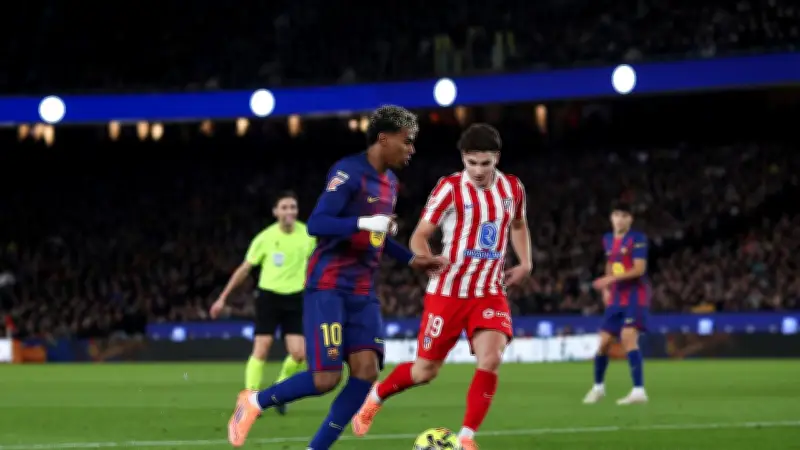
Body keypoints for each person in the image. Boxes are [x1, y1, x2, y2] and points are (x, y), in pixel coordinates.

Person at [226, 105, 448, 449]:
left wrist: (412, 260)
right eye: (407, 141)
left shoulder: (390, 183)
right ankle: (253, 402)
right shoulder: (348, 172)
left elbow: (377, 236)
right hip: (328, 287)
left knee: (367, 372)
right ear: (383, 139)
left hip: (363, 291)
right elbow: (317, 223)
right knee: (325, 378)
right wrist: (363, 222)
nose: (412, 149)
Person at [351, 123, 532, 450]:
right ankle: (376, 395)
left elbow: (518, 223)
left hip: (489, 291)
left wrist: (526, 262)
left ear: (497, 158)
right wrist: (427, 258)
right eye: (472, 163)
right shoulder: (449, 188)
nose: (478, 171)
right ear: (463, 158)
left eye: (486, 163)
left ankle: (466, 437)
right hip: (447, 293)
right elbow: (419, 235)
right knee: (424, 372)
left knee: (491, 358)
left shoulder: (513, 188)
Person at [210, 191, 314, 415]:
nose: (289, 211)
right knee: (262, 348)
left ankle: (279, 391)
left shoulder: (308, 235)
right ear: (275, 212)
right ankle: (249, 399)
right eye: (284, 207)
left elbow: (320, 263)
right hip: (269, 298)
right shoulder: (265, 238)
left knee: (299, 353)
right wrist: (222, 297)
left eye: (293, 207)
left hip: (295, 298)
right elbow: (244, 269)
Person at [583, 200, 650, 405]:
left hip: (635, 296)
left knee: (628, 337)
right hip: (616, 297)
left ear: (631, 219)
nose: (620, 219)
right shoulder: (608, 239)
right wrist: (606, 288)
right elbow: (611, 262)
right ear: (611, 218)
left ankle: (638, 390)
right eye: (617, 215)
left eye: (624, 216)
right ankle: (598, 388)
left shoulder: (637, 239)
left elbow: (639, 269)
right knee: (603, 343)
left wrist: (609, 280)